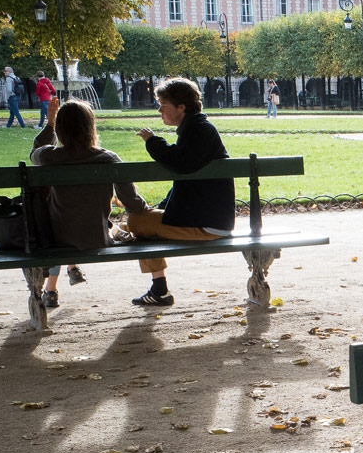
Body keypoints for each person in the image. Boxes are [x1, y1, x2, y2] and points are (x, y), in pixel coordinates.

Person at [31, 97, 150, 308]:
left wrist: (49, 124)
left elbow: (35, 152)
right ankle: (70, 269)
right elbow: (130, 200)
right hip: (96, 237)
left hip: (56, 239)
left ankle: (50, 286)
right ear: (90, 126)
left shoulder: (50, 157)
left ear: (61, 129)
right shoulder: (108, 158)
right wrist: (143, 209)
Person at [126, 77, 234, 307]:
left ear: (181, 107)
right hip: (211, 219)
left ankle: (159, 290)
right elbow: (183, 182)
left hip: (207, 224)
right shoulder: (197, 129)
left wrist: (152, 141)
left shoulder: (198, 131)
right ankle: (159, 290)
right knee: (142, 223)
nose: (159, 110)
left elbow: (179, 162)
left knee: (136, 222)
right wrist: (161, 208)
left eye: (163, 105)